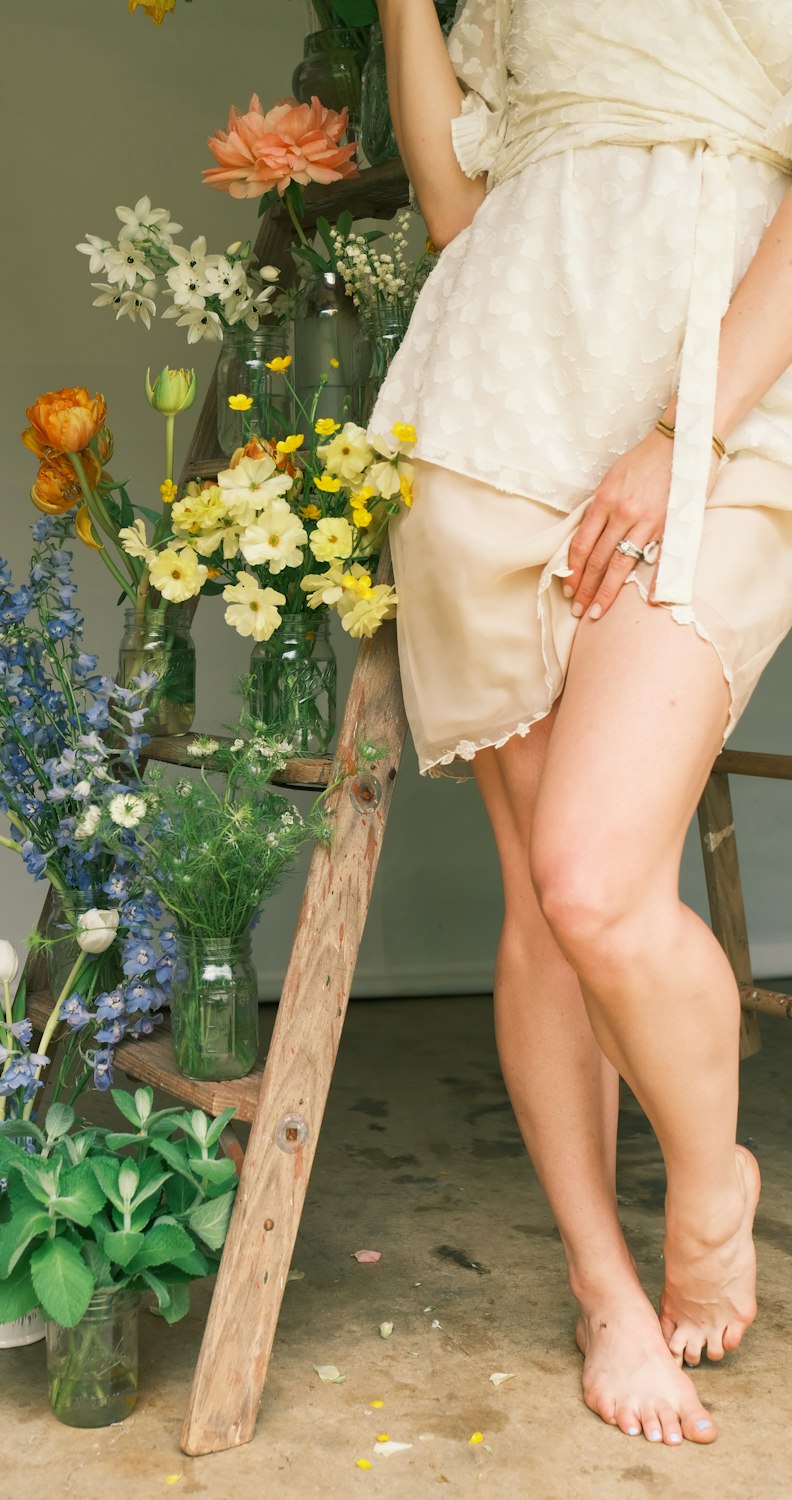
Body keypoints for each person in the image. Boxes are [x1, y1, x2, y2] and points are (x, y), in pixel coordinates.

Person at [372, 0, 792, 1449]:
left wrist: (683, 428)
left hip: (722, 405)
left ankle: (708, 1175)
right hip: (497, 407)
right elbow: (451, 206)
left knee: (599, 882)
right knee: (546, 909)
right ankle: (606, 1290)